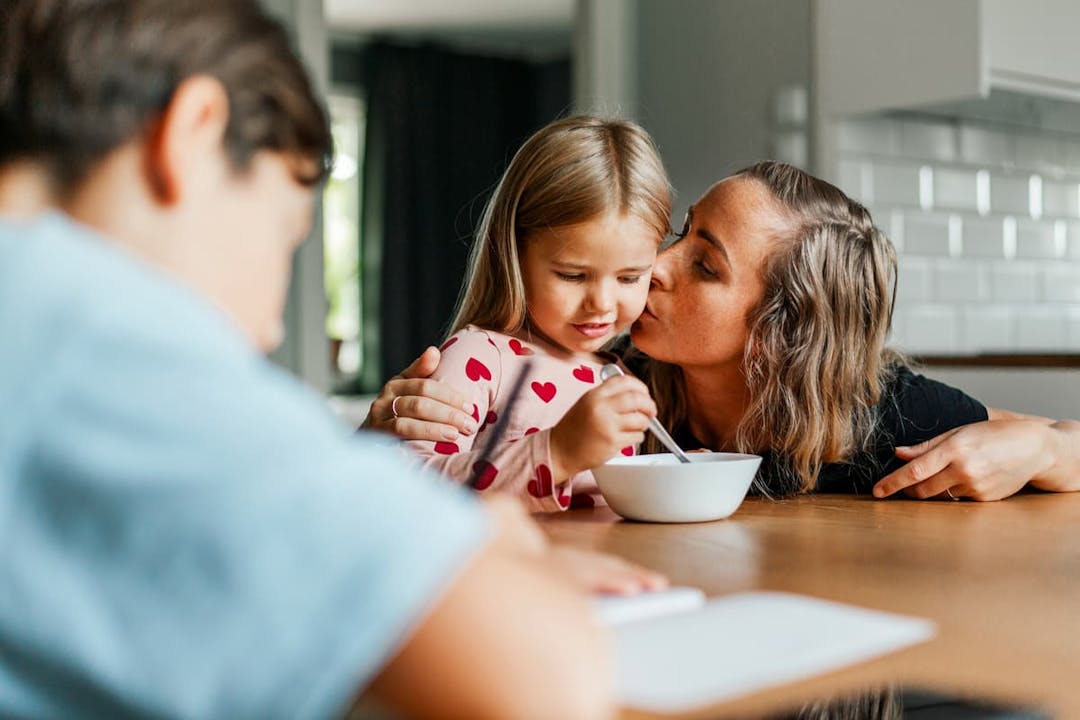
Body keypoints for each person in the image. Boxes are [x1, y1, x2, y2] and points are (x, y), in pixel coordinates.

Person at [0, 1, 642, 718]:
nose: (270, 327)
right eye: (284, 234)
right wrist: (478, 542)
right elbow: (545, 679)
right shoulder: (94, 333)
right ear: (192, 132)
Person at [369, 161, 1080, 502]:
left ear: (777, 333)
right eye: (681, 234)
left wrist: (1043, 445)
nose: (656, 266)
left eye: (704, 266)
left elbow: (1060, 446)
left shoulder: (880, 414)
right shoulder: (605, 370)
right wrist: (384, 434)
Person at [401, 116, 668, 511]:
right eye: (573, 275)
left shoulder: (617, 372)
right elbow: (409, 488)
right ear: (515, 254)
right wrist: (555, 452)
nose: (602, 303)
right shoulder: (480, 358)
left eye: (629, 278)